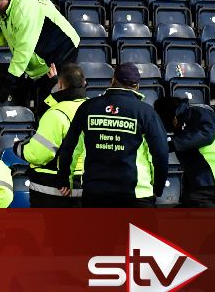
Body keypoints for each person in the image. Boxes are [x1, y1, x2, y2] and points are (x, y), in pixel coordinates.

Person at [56, 63, 169, 208]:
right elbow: (160, 154)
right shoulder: (146, 113)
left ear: (112, 80)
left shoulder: (88, 107)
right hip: (136, 196)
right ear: (137, 86)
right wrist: (158, 188)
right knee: (137, 232)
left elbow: (70, 146)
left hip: (95, 193)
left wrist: (64, 178)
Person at [16, 63, 87, 208]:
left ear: (61, 84)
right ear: (84, 83)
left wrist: (19, 148)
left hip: (53, 189)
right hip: (86, 184)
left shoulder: (55, 114)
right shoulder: (92, 109)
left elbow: (39, 154)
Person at [155, 96, 215, 207]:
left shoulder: (197, 110)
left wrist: (171, 144)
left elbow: (206, 134)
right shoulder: (181, 126)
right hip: (203, 181)